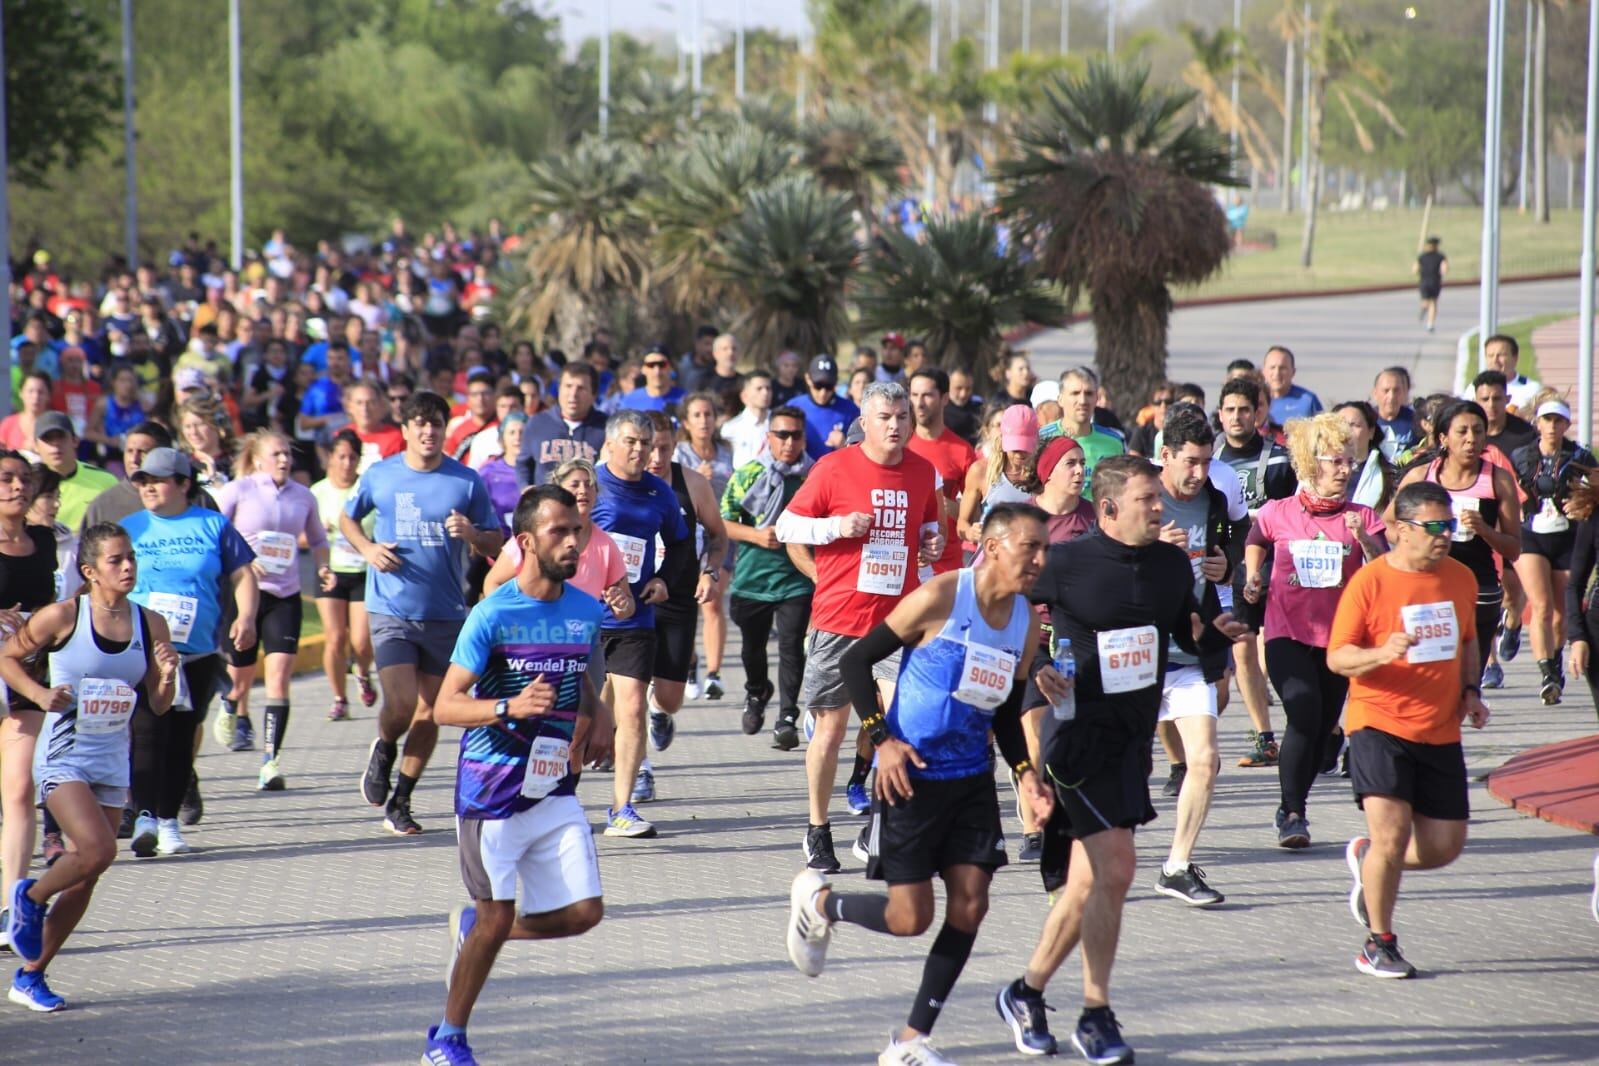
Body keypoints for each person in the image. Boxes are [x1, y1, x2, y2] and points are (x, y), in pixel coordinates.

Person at [784, 505, 1052, 1066]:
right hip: (908, 776)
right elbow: (858, 662)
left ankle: (909, 1042)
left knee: (971, 904)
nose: (1041, 559)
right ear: (996, 547)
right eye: (1032, 547)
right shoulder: (941, 598)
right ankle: (820, 903)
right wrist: (880, 740)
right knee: (911, 919)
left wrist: (1027, 777)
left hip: (972, 782)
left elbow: (1004, 714)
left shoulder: (1027, 622)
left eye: (1044, 548)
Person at [1002, 456, 1248, 1064]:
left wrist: (1217, 634)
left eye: (1158, 499)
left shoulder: (1169, 565)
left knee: (1089, 883)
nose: (1160, 508)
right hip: (1077, 738)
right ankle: (1095, 1014)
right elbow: (1003, 606)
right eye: (1147, 500)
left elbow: (1185, 635)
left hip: (1131, 742)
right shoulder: (1065, 562)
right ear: (1109, 509)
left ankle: (1025, 991)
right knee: (1115, 869)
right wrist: (1037, 666)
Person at [422, 486, 607, 1066]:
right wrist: (507, 707)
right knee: (499, 913)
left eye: (577, 529)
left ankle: (480, 929)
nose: (574, 540)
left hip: (553, 786)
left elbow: (582, 675)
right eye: (560, 532)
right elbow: (445, 706)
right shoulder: (494, 612)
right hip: (492, 790)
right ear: (526, 542)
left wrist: (597, 717)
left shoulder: (584, 608)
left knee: (585, 913)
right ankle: (447, 1039)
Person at [1, 523, 182, 1012]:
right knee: (100, 848)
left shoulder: (151, 624)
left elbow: (160, 707)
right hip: (64, 753)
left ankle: (30, 976)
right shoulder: (63, 616)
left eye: (131, 558)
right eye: (116, 560)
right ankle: (30, 896)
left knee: (88, 872)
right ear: (89, 570)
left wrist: (166, 675)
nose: (128, 567)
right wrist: (40, 694)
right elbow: (8, 656)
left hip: (111, 758)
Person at [776, 382, 944, 872]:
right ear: (865, 423)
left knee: (898, 726)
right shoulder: (833, 468)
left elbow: (930, 526)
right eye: (885, 417)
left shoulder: (922, 470)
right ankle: (818, 829)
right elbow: (787, 528)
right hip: (840, 618)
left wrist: (930, 544)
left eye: (902, 417)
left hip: (898, 622)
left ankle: (877, 828)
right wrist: (836, 527)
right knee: (831, 729)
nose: (895, 426)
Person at [1328, 480, 1488, 978]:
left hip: (1440, 728)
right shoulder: (1370, 582)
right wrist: (1382, 652)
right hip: (1378, 721)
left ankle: (1369, 861)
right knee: (1393, 837)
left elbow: (1467, 640)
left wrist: (1471, 692)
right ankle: (1379, 942)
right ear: (1399, 529)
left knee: (1444, 848)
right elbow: (1338, 656)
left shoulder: (1461, 577)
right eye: (1434, 527)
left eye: (1450, 526)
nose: (1444, 536)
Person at [344, 392, 503, 836]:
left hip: (446, 612)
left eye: (435, 423)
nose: (428, 431)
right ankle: (385, 746)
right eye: (419, 423)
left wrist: (472, 533)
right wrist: (368, 549)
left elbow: (496, 544)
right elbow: (347, 517)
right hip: (391, 607)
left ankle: (402, 798)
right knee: (400, 702)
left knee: (431, 712)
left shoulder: (465, 481)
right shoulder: (382, 475)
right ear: (407, 428)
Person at [1244, 413, 1388, 849]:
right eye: (1335, 461)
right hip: (1286, 633)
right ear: (1310, 465)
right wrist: (1253, 575)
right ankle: (1292, 812)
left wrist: (1364, 538)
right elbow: (1256, 536)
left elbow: (1383, 566)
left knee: (1319, 724)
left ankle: (1301, 794)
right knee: (1303, 714)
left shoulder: (1361, 515)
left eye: (1349, 461)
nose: (1345, 470)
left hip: (1339, 640)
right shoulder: (1279, 512)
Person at [123, 448, 257, 857]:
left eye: (158, 480)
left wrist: (247, 617)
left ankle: (168, 823)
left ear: (183, 484)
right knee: (146, 734)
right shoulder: (130, 528)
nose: (148, 487)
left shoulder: (213, 525)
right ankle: (143, 816)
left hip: (195, 652)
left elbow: (243, 574)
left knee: (181, 738)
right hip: (143, 650)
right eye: (143, 480)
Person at [1145, 405, 1243, 906]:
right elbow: (1104, 557)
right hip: (1135, 654)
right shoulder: (1139, 495)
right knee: (1112, 769)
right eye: (1190, 462)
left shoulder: (1214, 501)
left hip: (1188, 653)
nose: (1199, 473)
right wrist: (1149, 544)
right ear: (1165, 455)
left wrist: (1226, 567)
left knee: (1205, 759)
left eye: (1206, 461)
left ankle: (1177, 866)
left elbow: (1229, 546)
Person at [588, 410, 692, 840]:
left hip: (635, 618)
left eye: (646, 444)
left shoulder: (659, 493)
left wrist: (663, 581)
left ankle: (621, 807)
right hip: (585, 617)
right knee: (580, 715)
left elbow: (684, 545)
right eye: (631, 442)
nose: (639, 451)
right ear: (610, 444)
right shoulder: (587, 485)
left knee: (631, 709)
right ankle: (555, 802)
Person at [212, 432, 330, 789]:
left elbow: (319, 540)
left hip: (285, 595)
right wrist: (242, 560)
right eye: (276, 454)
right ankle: (231, 703)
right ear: (259, 458)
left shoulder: (303, 496)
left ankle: (270, 762)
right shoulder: (239, 490)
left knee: (279, 678)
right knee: (241, 676)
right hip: (244, 594)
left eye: (287, 454)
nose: (283, 460)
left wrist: (324, 568)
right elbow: (213, 531)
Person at [1395, 401, 1522, 689]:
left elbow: (1514, 548)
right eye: (1462, 431)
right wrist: (1421, 535)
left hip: (1480, 589)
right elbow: (1391, 525)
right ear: (1443, 438)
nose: (1471, 439)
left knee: (1465, 686)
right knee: (1428, 677)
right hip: (1429, 587)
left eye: (1478, 431)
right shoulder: (1421, 476)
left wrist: (1484, 529)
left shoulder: (1497, 480)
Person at [640, 409, 728, 795]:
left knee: (670, 697)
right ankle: (640, 769)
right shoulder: (619, 482)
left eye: (663, 448)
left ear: (675, 445)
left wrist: (709, 573)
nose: (656, 458)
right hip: (631, 598)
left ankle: (659, 712)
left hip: (677, 597)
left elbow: (718, 535)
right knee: (628, 690)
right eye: (648, 449)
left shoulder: (691, 483)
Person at [1215, 377, 1295, 768]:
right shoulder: (1209, 461)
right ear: (1219, 414)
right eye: (1229, 410)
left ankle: (1313, 727)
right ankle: (1264, 737)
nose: (1236, 417)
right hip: (1232, 573)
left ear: (1257, 412)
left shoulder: (1281, 458)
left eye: (1243, 409)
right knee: (1242, 647)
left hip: (1277, 568)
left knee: (1280, 654)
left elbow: (1297, 513)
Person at [722, 407, 814, 741]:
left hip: (797, 577)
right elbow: (722, 522)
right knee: (752, 649)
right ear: (768, 438)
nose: (789, 443)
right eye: (782, 435)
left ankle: (787, 718)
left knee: (792, 646)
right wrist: (756, 535)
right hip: (752, 580)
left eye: (796, 435)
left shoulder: (814, 476)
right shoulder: (747, 474)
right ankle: (757, 691)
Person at [0, 452, 60, 951]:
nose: (17, 487)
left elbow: (49, 606)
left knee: (20, 789)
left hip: (26, 677)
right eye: (6, 478)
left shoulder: (42, 542)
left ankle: (10, 905)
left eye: (24, 479)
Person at [1510, 398, 1592, 704]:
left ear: (1566, 425)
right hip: (1531, 536)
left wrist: (1580, 502)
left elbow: (1595, 489)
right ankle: (1546, 674)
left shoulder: (1580, 456)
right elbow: (1507, 486)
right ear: (1537, 423)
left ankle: (1555, 661)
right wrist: (1517, 504)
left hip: (1566, 537)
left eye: (1558, 421)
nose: (1552, 426)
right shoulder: (1521, 456)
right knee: (1541, 607)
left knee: (1560, 616)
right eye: (1547, 420)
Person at [311, 430, 377, 722]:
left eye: (353, 457)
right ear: (331, 458)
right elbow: (303, 536)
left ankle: (361, 671)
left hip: (363, 572)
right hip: (330, 571)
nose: (347, 463)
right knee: (335, 638)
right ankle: (339, 698)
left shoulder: (367, 489)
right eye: (342, 456)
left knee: (362, 641)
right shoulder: (318, 492)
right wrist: (316, 533)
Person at [673, 393, 735, 699]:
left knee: (711, 601)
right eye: (696, 415)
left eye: (708, 414)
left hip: (719, 534)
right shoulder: (679, 453)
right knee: (687, 608)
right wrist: (698, 481)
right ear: (686, 422)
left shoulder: (726, 450)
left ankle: (714, 673)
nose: (703, 420)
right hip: (686, 537)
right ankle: (691, 660)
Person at [904, 369, 977, 577]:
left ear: (945, 398)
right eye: (914, 395)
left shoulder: (962, 450)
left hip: (947, 567)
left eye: (927, 395)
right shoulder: (900, 446)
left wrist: (953, 508)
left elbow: (978, 514)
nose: (919, 403)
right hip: (905, 564)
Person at [1038, 368, 1126, 499]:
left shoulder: (1113, 441)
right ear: (1060, 399)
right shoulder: (1042, 438)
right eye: (1075, 393)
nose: (1083, 400)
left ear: (1096, 398)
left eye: (1089, 393)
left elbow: (1121, 490)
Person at [518, 363, 607, 488]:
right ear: (559, 389)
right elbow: (523, 464)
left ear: (594, 394)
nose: (573, 394)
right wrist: (525, 488)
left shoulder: (606, 428)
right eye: (568, 386)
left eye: (581, 388)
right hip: (546, 503)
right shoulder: (537, 423)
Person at [958, 404, 1037, 544]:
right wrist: (971, 533)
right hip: (992, 558)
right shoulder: (980, 471)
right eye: (1015, 447)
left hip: (1029, 559)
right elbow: (962, 524)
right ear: (1002, 439)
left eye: (1025, 447)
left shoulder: (1042, 472)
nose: (1020, 453)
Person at [31, 412, 117, 530]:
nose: (56, 444)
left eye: (61, 436)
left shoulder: (106, 481)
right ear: (35, 446)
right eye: (48, 438)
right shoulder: (27, 483)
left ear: (75, 440)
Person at [790, 355, 860, 460]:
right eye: (818, 385)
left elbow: (863, 452)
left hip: (836, 471)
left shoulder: (850, 410)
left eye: (829, 386)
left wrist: (845, 446)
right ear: (808, 379)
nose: (823, 392)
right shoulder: (793, 407)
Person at [1336, 401, 1400, 513]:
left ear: (1371, 431)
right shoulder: (1316, 470)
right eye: (1340, 425)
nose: (1345, 431)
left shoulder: (1390, 476)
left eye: (1354, 425)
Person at [83, 364, 146, 473]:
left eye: (130, 380)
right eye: (122, 380)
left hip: (139, 457)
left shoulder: (143, 404)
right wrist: (109, 440)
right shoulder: (104, 404)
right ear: (113, 382)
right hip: (113, 456)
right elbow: (88, 432)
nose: (127, 385)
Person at [723, 371, 775, 470]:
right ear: (744, 396)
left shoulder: (779, 424)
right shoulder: (731, 428)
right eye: (759, 389)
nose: (765, 393)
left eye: (768, 388)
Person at [1478, 334, 1542, 413]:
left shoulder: (1532, 389)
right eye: (1490, 356)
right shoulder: (1475, 388)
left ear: (1515, 358)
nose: (1495, 360)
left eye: (1501, 355)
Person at [1262, 345, 1323, 425]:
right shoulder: (1256, 400)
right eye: (1272, 367)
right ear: (1263, 372)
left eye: (1282, 368)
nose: (1277, 373)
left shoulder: (1308, 399)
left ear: (1293, 372)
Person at [619, 346, 686, 413]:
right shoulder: (629, 402)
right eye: (651, 365)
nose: (657, 371)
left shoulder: (684, 400)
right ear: (643, 369)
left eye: (662, 365)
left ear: (670, 368)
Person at [1371, 367, 1418, 462]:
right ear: (1375, 393)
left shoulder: (1416, 420)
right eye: (1386, 390)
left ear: (1404, 393)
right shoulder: (1367, 421)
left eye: (1396, 390)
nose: (1391, 396)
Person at [0, 371, 52, 452]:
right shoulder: (8, 423)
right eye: (30, 391)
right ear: (21, 393)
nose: (35, 397)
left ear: (48, 395)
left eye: (41, 392)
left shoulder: (54, 424)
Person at [1413, 237, 1448, 332]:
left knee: (1428, 302)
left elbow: (1415, 270)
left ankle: (1428, 318)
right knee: (1432, 303)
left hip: (1424, 282)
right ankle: (1430, 322)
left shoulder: (1422, 256)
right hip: (1434, 282)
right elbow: (1445, 269)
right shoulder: (1440, 256)